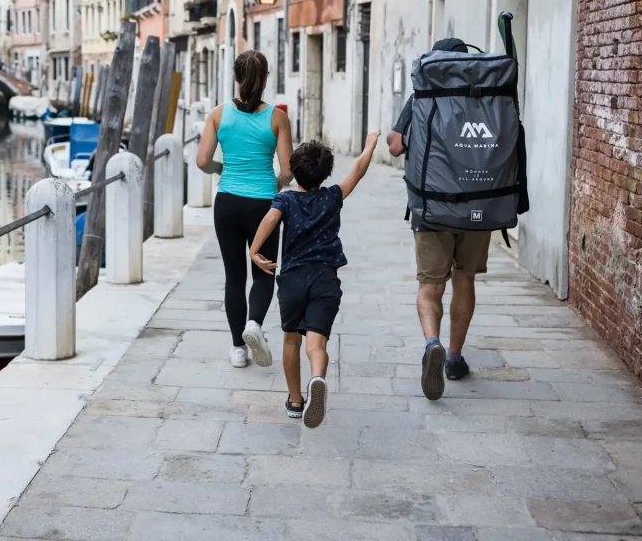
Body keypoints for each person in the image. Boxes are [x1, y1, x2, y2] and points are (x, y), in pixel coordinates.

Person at [248, 134, 379, 428]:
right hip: (325, 279)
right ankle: (317, 379)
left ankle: (295, 400)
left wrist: (254, 251)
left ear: (293, 171)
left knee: (291, 340)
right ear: (326, 173)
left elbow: (269, 220)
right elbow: (357, 170)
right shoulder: (332, 197)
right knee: (316, 343)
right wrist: (369, 144)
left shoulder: (286, 199)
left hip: (293, 280)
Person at [387, 37, 491, 401]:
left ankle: (432, 341)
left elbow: (396, 144)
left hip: (431, 205)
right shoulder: (488, 96)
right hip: (480, 204)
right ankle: (454, 357)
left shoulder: (423, 96)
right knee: (465, 280)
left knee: (430, 286)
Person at [195, 50, 293, 369]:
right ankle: (254, 325)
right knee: (263, 271)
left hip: (227, 203)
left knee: (234, 277)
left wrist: (219, 168)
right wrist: (274, 185)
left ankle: (238, 348)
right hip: (264, 204)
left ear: (236, 78)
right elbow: (289, 171)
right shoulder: (278, 118)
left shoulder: (218, 115)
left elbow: (201, 161)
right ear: (265, 79)